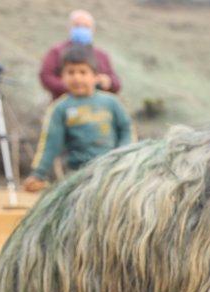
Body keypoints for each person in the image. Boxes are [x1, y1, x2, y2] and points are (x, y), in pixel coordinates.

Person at [23, 46, 133, 192]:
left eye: (83, 72)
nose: (77, 77)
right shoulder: (60, 108)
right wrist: (38, 174)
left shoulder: (112, 102)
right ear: (62, 77)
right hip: (79, 175)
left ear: (95, 76)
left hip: (113, 172)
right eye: (70, 72)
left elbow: (126, 129)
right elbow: (51, 143)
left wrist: (123, 158)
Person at [39, 9, 121, 101]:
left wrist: (108, 82)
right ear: (70, 27)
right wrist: (73, 86)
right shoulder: (57, 51)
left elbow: (116, 83)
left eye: (86, 26)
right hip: (64, 103)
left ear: (93, 30)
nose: (82, 29)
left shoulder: (101, 55)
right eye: (77, 25)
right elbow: (46, 76)